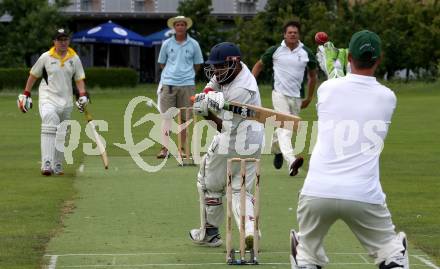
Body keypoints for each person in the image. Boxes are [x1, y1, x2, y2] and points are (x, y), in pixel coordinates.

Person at [290, 30, 409, 269]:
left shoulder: (327, 90)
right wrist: (335, 71)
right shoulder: (388, 97)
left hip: (317, 191)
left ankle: (306, 261)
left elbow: (338, 86)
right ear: (379, 59)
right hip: (364, 194)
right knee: (391, 253)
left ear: (350, 58)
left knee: (307, 253)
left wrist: (333, 69)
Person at [189, 42, 264, 249]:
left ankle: (210, 233)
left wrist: (205, 113)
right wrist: (206, 94)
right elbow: (213, 82)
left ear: (234, 62)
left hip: (233, 138)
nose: (216, 70)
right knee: (240, 190)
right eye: (215, 66)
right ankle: (250, 231)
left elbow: (222, 127)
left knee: (208, 183)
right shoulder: (233, 70)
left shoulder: (241, 90)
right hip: (255, 139)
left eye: (220, 66)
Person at [17, 28, 89, 176]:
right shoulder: (46, 57)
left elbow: (79, 78)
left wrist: (82, 95)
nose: (63, 43)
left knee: (62, 131)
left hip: (66, 100)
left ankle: (57, 164)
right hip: (48, 98)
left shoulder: (74, 58)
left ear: (68, 41)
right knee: (50, 121)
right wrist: (26, 93)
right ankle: (47, 163)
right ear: (54, 42)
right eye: (59, 40)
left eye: (65, 40)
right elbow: (33, 75)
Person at [252, 21, 317, 176]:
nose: (292, 35)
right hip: (279, 94)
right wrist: (251, 85)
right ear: (284, 34)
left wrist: (309, 97)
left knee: (284, 129)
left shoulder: (306, 52)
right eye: (290, 32)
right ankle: (291, 162)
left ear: (299, 35)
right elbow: (259, 65)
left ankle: (276, 150)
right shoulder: (275, 51)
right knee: (286, 128)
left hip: (297, 97)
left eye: (295, 32)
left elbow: (313, 77)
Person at [156, 15, 204, 158]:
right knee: (167, 118)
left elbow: (197, 64)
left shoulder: (194, 44)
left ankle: (181, 149)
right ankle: (164, 149)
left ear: (186, 27)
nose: (180, 27)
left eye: (183, 24)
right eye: (178, 25)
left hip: (187, 85)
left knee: (185, 118)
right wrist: (172, 74)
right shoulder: (167, 44)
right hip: (169, 83)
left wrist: (187, 76)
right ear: (174, 27)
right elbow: (162, 63)